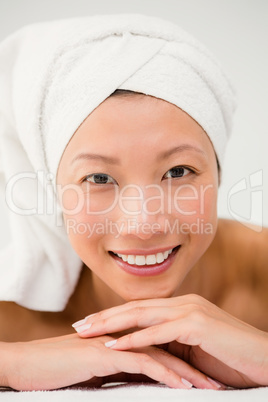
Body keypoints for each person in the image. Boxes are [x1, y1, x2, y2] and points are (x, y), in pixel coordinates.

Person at [0, 14, 267, 392]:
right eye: (98, 179)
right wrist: (12, 365)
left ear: (218, 175)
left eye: (178, 172)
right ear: (51, 193)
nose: (144, 224)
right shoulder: (16, 319)